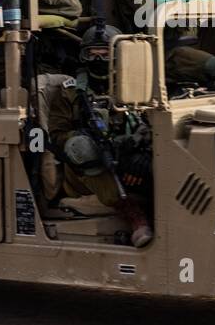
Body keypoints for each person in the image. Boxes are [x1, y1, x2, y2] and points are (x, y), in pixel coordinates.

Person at [46, 24, 152, 247]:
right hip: (85, 169)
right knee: (81, 147)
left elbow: (151, 121)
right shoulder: (71, 92)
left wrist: (137, 150)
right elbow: (58, 136)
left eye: (105, 54)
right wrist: (93, 141)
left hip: (130, 156)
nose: (98, 60)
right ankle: (135, 216)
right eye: (91, 54)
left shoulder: (135, 86)